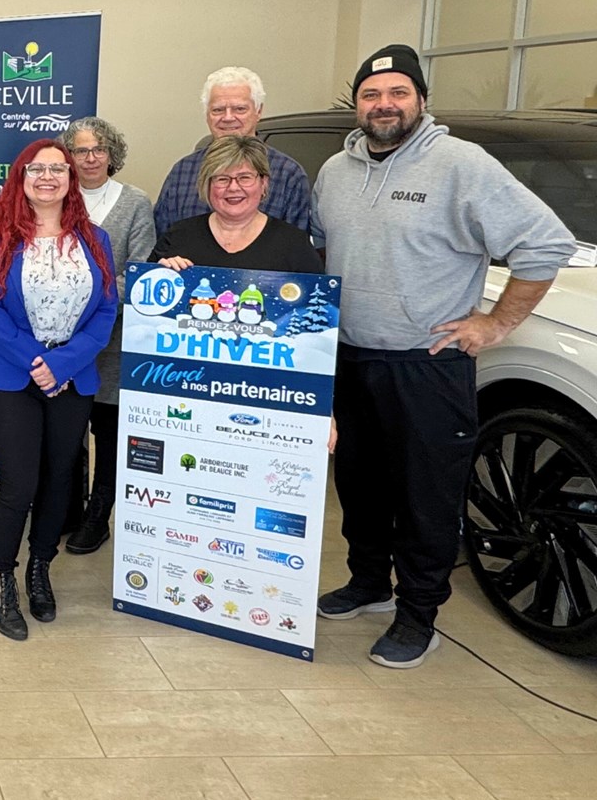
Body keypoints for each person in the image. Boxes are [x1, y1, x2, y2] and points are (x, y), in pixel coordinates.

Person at [314, 44, 574, 669]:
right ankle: (370, 582)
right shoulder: (335, 171)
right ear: (357, 104)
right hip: (349, 359)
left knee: (426, 495)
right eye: (372, 94)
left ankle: (418, 613)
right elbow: (322, 252)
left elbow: (545, 243)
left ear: (421, 101)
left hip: (425, 363)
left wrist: (495, 322)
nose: (384, 105)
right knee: (360, 484)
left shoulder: (461, 164)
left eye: (398, 93)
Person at [0, 139, 118, 641]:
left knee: (60, 479)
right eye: (38, 169)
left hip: (72, 377)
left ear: (71, 179)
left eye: (59, 168)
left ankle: (39, 567)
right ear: (22, 177)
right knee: (19, 483)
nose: (49, 176)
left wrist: (62, 363)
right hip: (10, 376)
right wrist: (37, 362)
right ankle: (2, 576)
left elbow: (105, 312)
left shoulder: (96, 239)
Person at [58, 119, 155, 555]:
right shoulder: (55, 198)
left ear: (112, 154)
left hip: (113, 339)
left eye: (99, 149)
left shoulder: (134, 203)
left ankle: (99, 515)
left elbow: (138, 276)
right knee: (65, 429)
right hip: (59, 340)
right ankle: (66, 509)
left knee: (109, 433)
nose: (91, 158)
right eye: (80, 151)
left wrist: (83, 294)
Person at [154, 66, 317, 242]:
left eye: (239, 109)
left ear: (258, 111)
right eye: (218, 110)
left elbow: (296, 249)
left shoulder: (288, 175)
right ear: (207, 114)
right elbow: (161, 241)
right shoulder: (182, 172)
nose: (228, 117)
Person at [151, 136, 323, 275]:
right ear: (207, 185)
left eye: (245, 178)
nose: (233, 188)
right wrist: (159, 274)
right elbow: (142, 303)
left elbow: (316, 308)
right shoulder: (178, 236)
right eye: (222, 179)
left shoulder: (294, 244)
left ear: (263, 183)